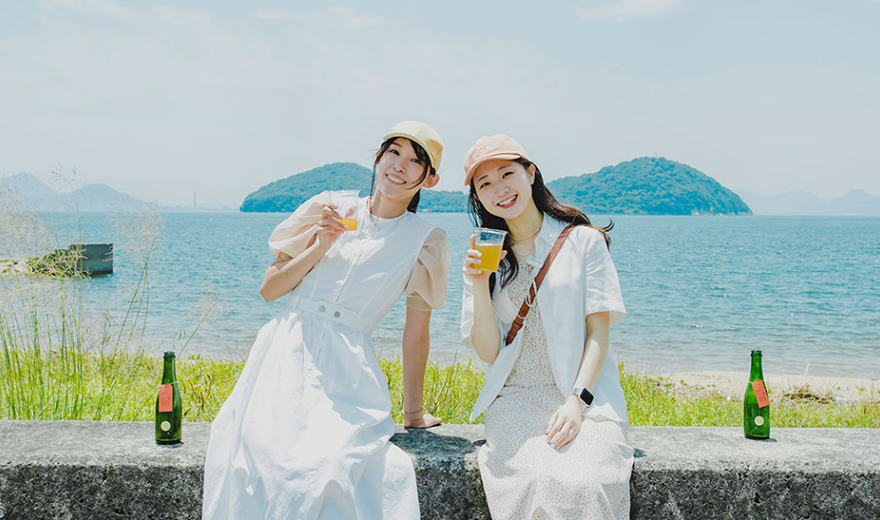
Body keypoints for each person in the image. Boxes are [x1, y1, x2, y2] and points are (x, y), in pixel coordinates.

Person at [202, 121, 450, 519]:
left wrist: (414, 414)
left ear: (430, 179)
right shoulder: (329, 207)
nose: (399, 165)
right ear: (378, 157)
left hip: (349, 368)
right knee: (261, 455)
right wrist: (320, 246)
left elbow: (416, 333)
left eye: (415, 160)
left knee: (333, 463)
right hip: (285, 347)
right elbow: (270, 289)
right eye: (394, 152)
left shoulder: (426, 240)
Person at [460, 135, 634, 519]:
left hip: (585, 397)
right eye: (484, 183)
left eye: (507, 174)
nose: (499, 190)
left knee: (584, 484)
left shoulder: (584, 242)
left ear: (531, 174)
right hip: (516, 400)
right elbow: (489, 352)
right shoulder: (484, 256)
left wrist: (577, 401)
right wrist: (476, 283)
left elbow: (598, 335)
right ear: (477, 196)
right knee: (533, 484)